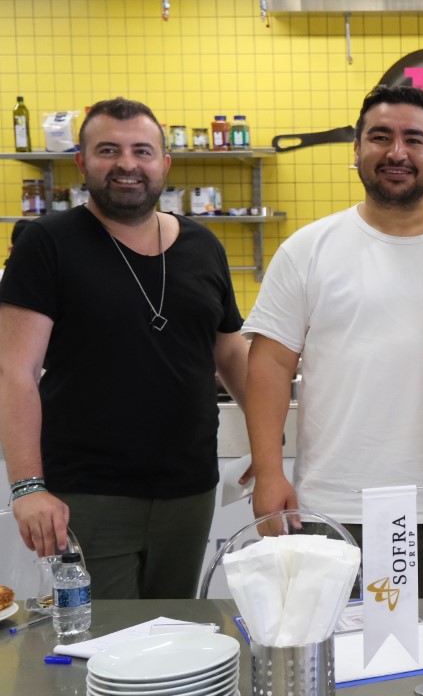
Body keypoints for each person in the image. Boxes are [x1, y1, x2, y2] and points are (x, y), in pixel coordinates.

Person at [242, 85, 423, 598]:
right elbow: (270, 366)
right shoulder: (307, 250)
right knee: (340, 646)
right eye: (381, 137)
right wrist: (269, 473)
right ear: (357, 149)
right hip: (337, 506)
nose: (397, 152)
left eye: (414, 139)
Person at [0, 97, 249, 598]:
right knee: (104, 634)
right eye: (108, 150)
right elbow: (15, 371)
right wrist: (28, 487)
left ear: (165, 163)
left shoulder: (203, 246)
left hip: (190, 488)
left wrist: (267, 446)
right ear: (82, 162)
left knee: (175, 625)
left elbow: (231, 354)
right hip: (89, 492)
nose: (127, 164)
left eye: (142, 150)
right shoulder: (47, 243)